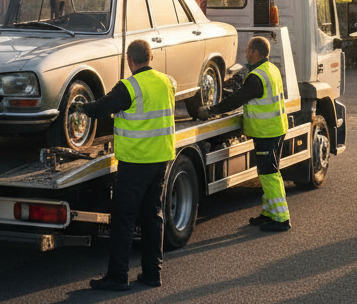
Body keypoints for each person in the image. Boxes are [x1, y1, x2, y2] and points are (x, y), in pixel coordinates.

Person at [76, 39, 175, 290]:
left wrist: (81, 107)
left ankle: (118, 276)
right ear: (150, 58)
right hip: (161, 158)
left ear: (129, 60)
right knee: (153, 216)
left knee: (124, 218)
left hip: (135, 161)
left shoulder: (128, 87)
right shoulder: (167, 82)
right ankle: (153, 274)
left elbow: (101, 108)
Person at [196, 35, 291, 230]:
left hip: (266, 132)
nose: (245, 52)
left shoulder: (256, 77)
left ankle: (281, 219)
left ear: (255, 52)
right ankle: (269, 212)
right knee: (268, 173)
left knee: (269, 173)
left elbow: (236, 100)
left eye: (248, 49)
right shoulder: (270, 69)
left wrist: (212, 111)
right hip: (276, 129)